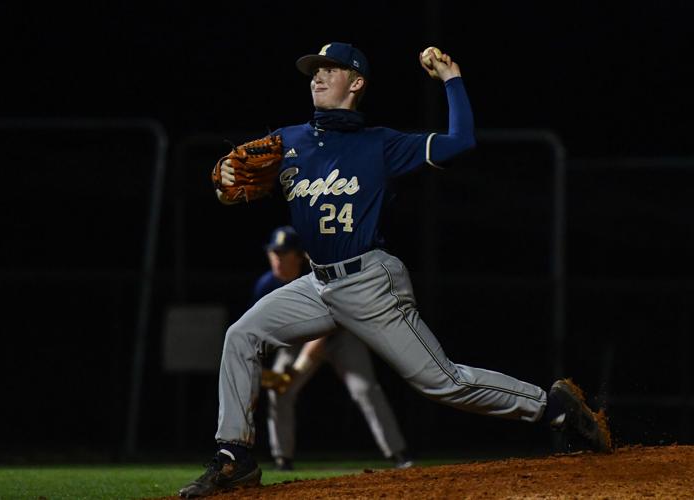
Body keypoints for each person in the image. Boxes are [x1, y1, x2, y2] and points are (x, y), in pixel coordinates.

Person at [180, 42, 610, 498]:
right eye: (314, 70)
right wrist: (226, 180)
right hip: (315, 284)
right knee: (241, 335)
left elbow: (461, 141)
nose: (318, 77)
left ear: (357, 83)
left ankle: (552, 406)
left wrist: (452, 81)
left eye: (331, 69)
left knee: (441, 382)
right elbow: (234, 184)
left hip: (370, 282)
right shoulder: (289, 140)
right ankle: (235, 456)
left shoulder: (380, 144)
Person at [254, 225, 413, 471]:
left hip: (340, 335)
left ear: (299, 255)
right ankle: (282, 459)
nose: (277, 258)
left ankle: (398, 454)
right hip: (297, 341)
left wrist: (296, 369)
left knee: (365, 390)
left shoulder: (323, 274)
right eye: (273, 253)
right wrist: (262, 372)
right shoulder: (266, 284)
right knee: (278, 393)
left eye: (283, 253)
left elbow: (330, 326)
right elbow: (261, 333)